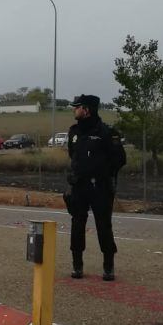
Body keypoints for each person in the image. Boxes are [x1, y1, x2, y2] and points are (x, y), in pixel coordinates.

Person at [66, 94, 126, 281]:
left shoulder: (107, 132)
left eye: (77, 107)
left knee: (103, 226)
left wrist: (103, 174)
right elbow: (72, 155)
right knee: (77, 225)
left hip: (100, 187)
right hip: (79, 186)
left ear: (86, 109)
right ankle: (77, 265)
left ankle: (108, 266)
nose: (74, 110)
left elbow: (119, 159)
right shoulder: (74, 132)